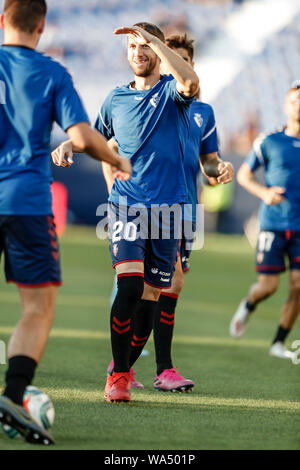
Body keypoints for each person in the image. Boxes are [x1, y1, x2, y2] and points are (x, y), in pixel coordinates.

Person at [0, 0, 131, 445]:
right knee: (37, 307)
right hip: (26, 202)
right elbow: (79, 137)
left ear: (2, 20)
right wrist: (114, 157)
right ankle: (13, 396)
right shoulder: (51, 73)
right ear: (42, 26)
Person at [104, 34, 234, 392]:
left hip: (182, 209)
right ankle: (154, 368)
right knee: (155, 283)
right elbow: (109, 144)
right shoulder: (143, 100)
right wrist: (111, 191)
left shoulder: (201, 112)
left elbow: (208, 162)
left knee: (160, 288)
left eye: (183, 60)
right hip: (139, 206)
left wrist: (218, 169)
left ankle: (131, 367)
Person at [96, 22, 199, 403]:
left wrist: (158, 40)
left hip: (169, 210)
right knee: (129, 286)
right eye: (132, 47)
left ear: (157, 51)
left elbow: (189, 80)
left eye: (145, 46)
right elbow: (99, 139)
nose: (138, 52)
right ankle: (120, 378)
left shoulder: (173, 92)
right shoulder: (115, 98)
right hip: (127, 206)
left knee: (151, 299)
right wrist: (71, 147)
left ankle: (120, 366)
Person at [230, 83, 300, 361]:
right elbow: (244, 175)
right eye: (295, 100)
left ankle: (278, 342)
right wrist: (265, 192)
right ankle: (249, 304)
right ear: (286, 106)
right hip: (273, 224)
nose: (299, 105)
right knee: (268, 287)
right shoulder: (269, 141)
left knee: (298, 285)